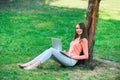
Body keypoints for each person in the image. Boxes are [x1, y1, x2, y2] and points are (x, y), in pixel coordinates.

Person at [18, 22, 89, 70]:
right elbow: (72, 51)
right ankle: (28, 63)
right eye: (77, 28)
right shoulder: (76, 39)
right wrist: (66, 53)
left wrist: (73, 56)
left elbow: (86, 56)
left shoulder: (84, 40)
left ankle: (34, 65)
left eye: (80, 28)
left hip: (72, 61)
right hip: (67, 57)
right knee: (48, 51)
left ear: (83, 29)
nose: (78, 30)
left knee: (51, 50)